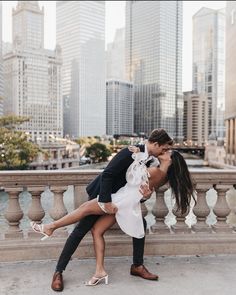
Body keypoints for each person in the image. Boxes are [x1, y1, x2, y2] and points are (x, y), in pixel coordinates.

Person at [32, 129, 173, 291]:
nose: (165, 152)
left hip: (119, 199)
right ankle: (58, 271)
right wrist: (105, 201)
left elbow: (136, 188)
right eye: (163, 149)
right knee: (80, 230)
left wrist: (145, 197)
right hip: (102, 194)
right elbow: (108, 174)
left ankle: (136, 266)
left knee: (139, 223)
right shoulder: (130, 151)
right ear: (155, 144)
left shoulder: (150, 160)